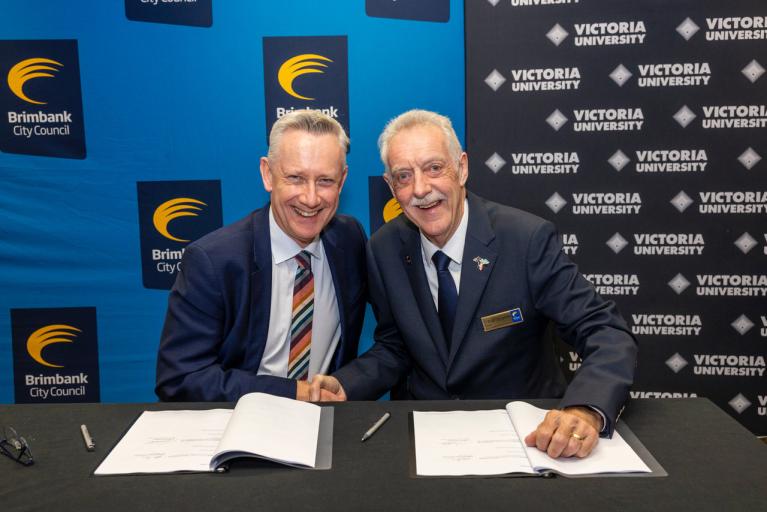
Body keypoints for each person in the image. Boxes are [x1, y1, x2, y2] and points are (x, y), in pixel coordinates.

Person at [312, 109, 637, 458]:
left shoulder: (526, 240)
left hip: (523, 440)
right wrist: (347, 383)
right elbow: (396, 345)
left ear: (462, 168)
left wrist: (584, 408)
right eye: (404, 176)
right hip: (425, 441)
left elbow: (605, 331)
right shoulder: (383, 249)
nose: (421, 189)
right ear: (391, 188)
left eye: (434, 168)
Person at [155, 110, 366, 402]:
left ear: (342, 181)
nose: (310, 198)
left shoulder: (350, 240)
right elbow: (180, 378)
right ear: (267, 174)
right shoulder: (213, 262)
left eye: (325, 181)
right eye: (295, 178)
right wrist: (294, 393)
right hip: (239, 430)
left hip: (328, 428)